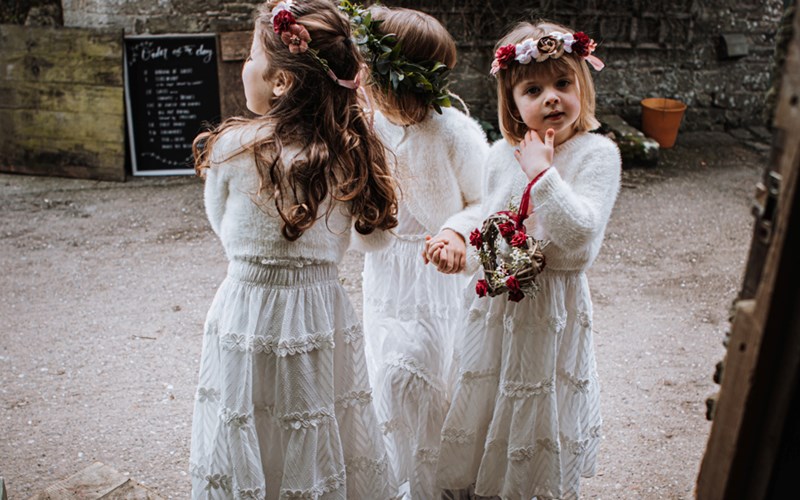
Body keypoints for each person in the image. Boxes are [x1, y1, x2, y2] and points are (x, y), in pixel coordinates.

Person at [188, 1, 399, 498]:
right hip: (318, 314)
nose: (243, 68)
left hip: (247, 309)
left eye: (248, 57)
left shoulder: (232, 148)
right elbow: (378, 239)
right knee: (316, 416)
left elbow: (224, 228)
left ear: (280, 81)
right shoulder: (351, 152)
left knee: (247, 414)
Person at [433, 20, 621, 499]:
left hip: (551, 309)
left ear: (583, 83)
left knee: (538, 404)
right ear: (512, 102)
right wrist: (463, 251)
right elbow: (496, 228)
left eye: (563, 83)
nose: (551, 98)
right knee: (491, 401)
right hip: (499, 309)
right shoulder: (501, 154)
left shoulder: (596, 155)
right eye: (533, 89)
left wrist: (543, 175)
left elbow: (579, 239)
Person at [345, 3, 489, 498]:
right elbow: (356, 210)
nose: (361, 77)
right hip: (386, 270)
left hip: (437, 274)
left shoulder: (454, 132)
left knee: (427, 374)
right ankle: (400, 475)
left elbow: (484, 200)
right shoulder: (364, 129)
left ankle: (440, 479)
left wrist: (456, 233)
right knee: (388, 372)